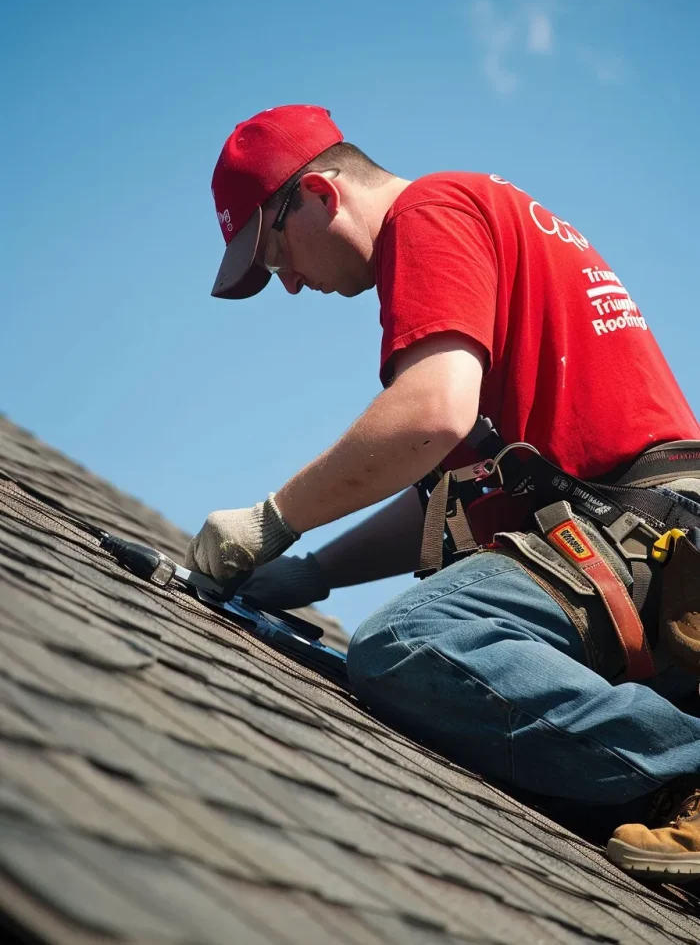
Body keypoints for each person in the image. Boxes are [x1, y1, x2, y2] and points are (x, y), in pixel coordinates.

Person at [186, 104, 700, 880]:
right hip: (639, 542)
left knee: (410, 644)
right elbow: (442, 489)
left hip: (640, 537)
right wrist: (315, 570)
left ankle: (680, 766)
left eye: (274, 251)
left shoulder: (430, 213)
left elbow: (428, 416)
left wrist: (274, 519)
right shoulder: (475, 229)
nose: (287, 284)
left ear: (321, 195)